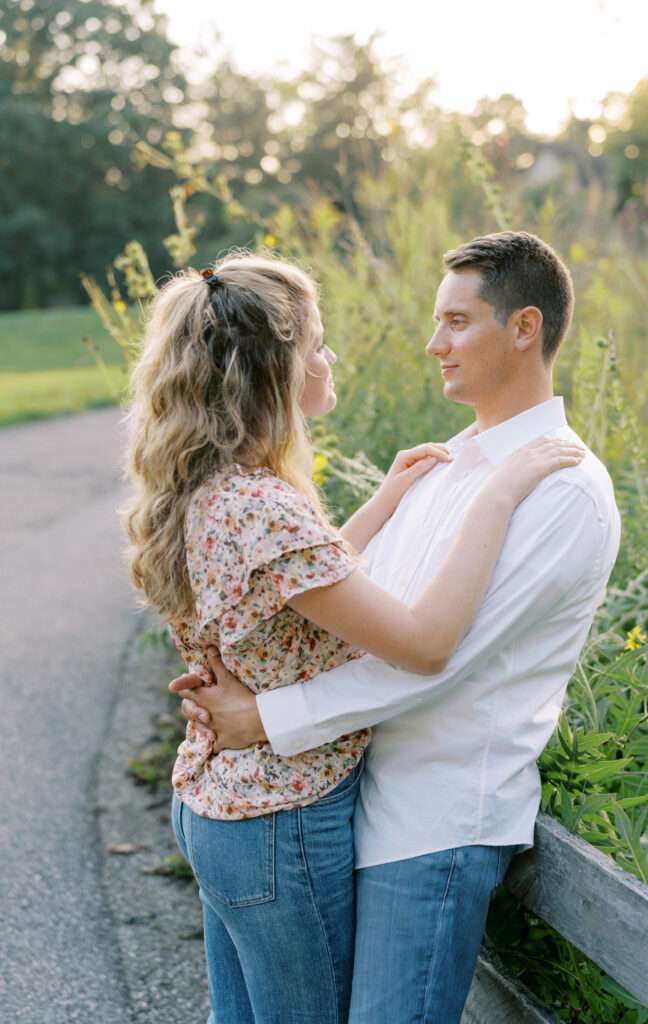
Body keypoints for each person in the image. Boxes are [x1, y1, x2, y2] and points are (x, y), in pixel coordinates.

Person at [122, 247, 586, 1024]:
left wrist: (381, 503)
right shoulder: (263, 506)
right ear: (275, 371)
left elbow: (299, 587)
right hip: (278, 816)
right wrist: (498, 494)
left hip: (222, 801)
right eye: (316, 345)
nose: (328, 357)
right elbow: (426, 641)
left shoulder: (217, 486)